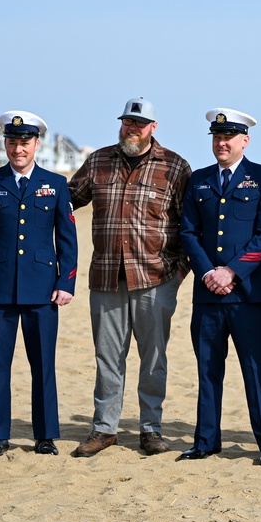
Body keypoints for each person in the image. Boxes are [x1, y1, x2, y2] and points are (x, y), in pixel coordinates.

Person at [68, 97, 191, 457]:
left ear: (153, 127)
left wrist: (178, 274)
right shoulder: (98, 161)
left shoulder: (174, 166)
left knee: (153, 358)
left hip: (156, 278)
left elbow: (190, 226)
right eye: (127, 122)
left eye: (139, 123)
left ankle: (151, 430)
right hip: (106, 277)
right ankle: (104, 429)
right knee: (108, 357)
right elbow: (67, 200)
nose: (131, 128)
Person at [0, 111, 78, 457]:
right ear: (5, 144)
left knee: (43, 365)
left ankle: (44, 435)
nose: (18, 148)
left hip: (43, 290)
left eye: (25, 142)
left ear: (37, 144)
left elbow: (67, 241)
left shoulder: (55, 184)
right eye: (12, 142)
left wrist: (66, 283)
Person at [177, 108, 261, 465]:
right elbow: (188, 232)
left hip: (249, 295)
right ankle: (206, 441)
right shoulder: (199, 179)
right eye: (216, 137)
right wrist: (208, 272)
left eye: (229, 137)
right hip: (207, 294)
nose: (221, 143)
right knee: (208, 369)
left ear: (245, 141)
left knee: (258, 369)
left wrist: (232, 272)